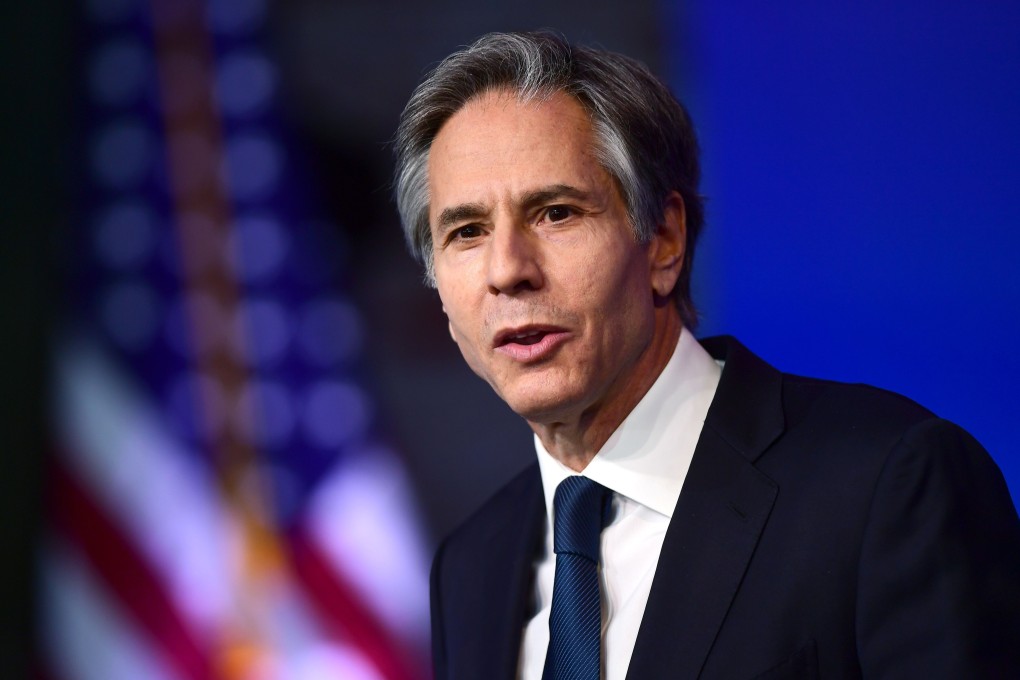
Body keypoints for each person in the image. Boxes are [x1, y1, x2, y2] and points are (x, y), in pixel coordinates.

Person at [392, 31, 1020, 679]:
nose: (507, 271)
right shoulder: (471, 566)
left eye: (556, 213)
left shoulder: (887, 484)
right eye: (466, 232)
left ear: (664, 240)